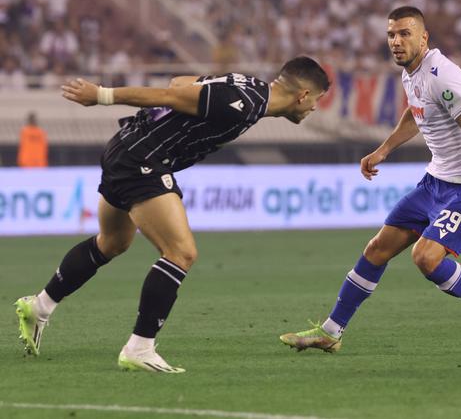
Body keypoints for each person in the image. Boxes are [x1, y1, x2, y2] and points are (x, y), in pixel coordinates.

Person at [15, 56, 330, 373]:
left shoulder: (247, 86)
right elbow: (168, 95)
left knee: (111, 242)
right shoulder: (245, 102)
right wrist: (102, 96)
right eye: (317, 99)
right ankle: (140, 347)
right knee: (181, 252)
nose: (314, 108)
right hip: (144, 159)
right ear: (303, 95)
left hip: (125, 147)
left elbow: (179, 82)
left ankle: (40, 306)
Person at [280, 6, 461, 353]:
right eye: (391, 35)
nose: (396, 41)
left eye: (405, 34)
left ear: (424, 37)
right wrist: (383, 150)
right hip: (435, 182)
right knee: (376, 250)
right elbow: (416, 114)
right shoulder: (411, 74)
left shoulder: (443, 76)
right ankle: (331, 332)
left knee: (425, 258)